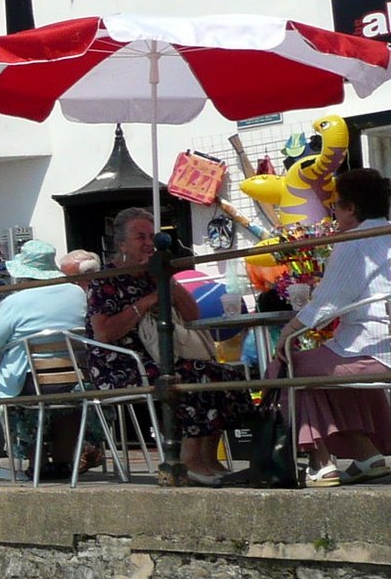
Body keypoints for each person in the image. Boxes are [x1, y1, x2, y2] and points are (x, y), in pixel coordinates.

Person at [87, 207, 252, 486]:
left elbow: (193, 315)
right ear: (121, 243)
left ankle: (208, 458)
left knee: (225, 375)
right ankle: (187, 460)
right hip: (122, 363)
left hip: (164, 356)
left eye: (152, 236)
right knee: (193, 376)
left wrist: (168, 284)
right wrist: (146, 302)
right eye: (140, 237)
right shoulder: (105, 280)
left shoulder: (153, 273)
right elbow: (103, 333)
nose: (148, 243)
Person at [276, 167, 391, 485]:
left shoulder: (354, 242)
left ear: (351, 208)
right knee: (322, 365)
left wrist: (287, 333)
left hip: (374, 347)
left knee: (288, 367)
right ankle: (367, 453)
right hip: (374, 345)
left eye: (335, 206)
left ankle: (320, 461)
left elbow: (326, 305)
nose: (333, 213)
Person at [0, 240, 93, 470]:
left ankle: (38, 464)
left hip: (31, 382)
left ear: (23, 276)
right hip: (78, 380)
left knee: (23, 398)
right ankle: (64, 462)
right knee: (68, 400)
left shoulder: (14, 301)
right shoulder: (77, 293)